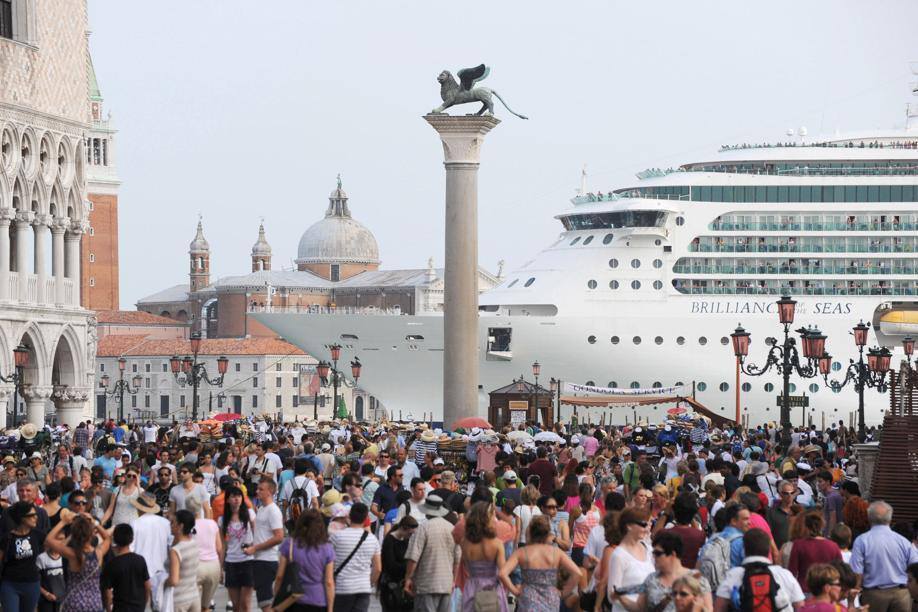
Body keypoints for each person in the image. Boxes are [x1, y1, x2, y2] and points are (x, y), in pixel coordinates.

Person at [613, 531, 713, 612]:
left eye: (658, 553)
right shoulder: (651, 579)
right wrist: (620, 597)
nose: (654, 557)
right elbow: (640, 608)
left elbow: (708, 609)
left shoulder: (697, 579)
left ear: (673, 554)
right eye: (653, 553)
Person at [499, 515, 581, 612]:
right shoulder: (556, 552)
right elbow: (577, 573)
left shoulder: (522, 552)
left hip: (528, 599)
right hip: (551, 598)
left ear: (531, 532)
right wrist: (563, 593)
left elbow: (502, 573)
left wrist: (515, 591)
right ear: (547, 533)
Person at [714, 528, 804, 612]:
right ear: (769, 549)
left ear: (744, 549)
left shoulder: (734, 575)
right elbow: (800, 606)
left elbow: (718, 607)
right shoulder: (784, 574)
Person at [850, 501, 918, 612]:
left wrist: (854, 594)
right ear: (890, 519)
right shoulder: (903, 542)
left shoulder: (862, 541)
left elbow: (857, 572)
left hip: (873, 595)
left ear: (869, 518)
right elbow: (915, 565)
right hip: (901, 594)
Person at [46, 512, 111, 612]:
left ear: (74, 535)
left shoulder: (72, 554)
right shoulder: (98, 553)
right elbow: (107, 538)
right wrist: (95, 523)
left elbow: (48, 539)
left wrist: (63, 522)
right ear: (91, 535)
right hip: (94, 603)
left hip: (73, 602)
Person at [403, 495, 457, 612]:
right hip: (446, 584)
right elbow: (458, 559)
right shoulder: (452, 528)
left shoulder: (423, 528)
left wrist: (408, 579)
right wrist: (453, 580)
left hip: (426, 584)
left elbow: (413, 558)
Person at [330, 503, 381, 612]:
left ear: (349, 516)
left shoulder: (337, 537)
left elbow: (328, 563)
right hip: (363, 588)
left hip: (342, 587)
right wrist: (369, 583)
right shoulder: (372, 540)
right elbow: (378, 568)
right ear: (366, 518)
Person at [459, 501, 508, 612]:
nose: (495, 518)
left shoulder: (464, 543)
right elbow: (503, 572)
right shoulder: (496, 543)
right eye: (493, 515)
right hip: (492, 590)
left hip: (472, 588)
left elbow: (466, 566)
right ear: (486, 518)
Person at [246, 478, 285, 612]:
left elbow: (279, 536)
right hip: (259, 559)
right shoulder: (262, 509)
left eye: (261, 489)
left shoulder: (273, 511)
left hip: (266, 560)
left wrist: (255, 548)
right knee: (264, 601)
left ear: (270, 492)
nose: (257, 491)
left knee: (266, 603)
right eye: (258, 488)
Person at [606, 508, 656, 611]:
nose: (647, 529)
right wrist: (636, 606)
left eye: (648, 524)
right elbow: (612, 595)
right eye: (643, 524)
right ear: (629, 526)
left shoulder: (649, 550)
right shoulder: (619, 555)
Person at [129, 492, 172, 609]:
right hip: (162, 571)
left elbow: (130, 549)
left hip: (141, 573)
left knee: (143, 606)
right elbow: (170, 547)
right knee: (161, 607)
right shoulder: (166, 523)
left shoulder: (135, 524)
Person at [0, 501, 46, 612]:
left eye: (36, 515)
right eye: (32, 515)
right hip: (10, 584)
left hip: (32, 584)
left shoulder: (38, 534)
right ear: (21, 518)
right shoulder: (7, 538)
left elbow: (55, 543)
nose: (36, 518)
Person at [219, 486, 256, 612]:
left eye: (239, 496)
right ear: (228, 499)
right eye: (233, 496)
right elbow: (223, 545)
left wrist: (255, 550)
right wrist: (220, 568)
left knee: (245, 604)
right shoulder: (222, 520)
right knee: (235, 605)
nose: (236, 499)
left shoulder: (250, 514)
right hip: (231, 563)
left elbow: (257, 536)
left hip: (248, 561)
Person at [100, 523, 151, 612]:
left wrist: (108, 609)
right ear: (131, 539)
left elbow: (107, 593)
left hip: (120, 608)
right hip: (138, 607)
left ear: (114, 540)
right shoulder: (140, 560)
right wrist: (144, 603)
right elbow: (148, 586)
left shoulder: (112, 564)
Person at [788, 511, 843, 592]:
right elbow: (840, 571)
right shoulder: (833, 546)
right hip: (827, 590)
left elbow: (792, 571)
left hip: (804, 590)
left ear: (806, 527)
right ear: (822, 526)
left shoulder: (798, 545)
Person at [186, 495, 222, 612]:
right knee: (205, 606)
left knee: (193, 607)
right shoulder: (212, 524)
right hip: (213, 566)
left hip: (196, 566)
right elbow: (219, 548)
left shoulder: (188, 527)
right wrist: (221, 568)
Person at [380, 515, 417, 612]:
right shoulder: (389, 540)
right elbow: (390, 565)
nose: (411, 536)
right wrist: (409, 567)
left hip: (402, 583)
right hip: (391, 585)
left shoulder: (406, 540)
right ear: (403, 528)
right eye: (410, 533)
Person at [167, 509, 201, 612]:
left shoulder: (176, 551)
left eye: (173, 522)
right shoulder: (194, 544)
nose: (170, 525)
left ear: (180, 526)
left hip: (179, 599)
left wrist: (161, 582)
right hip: (194, 596)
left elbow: (174, 580)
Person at [103, 463, 142, 528]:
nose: (131, 478)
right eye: (129, 475)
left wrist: (138, 484)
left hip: (133, 527)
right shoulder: (117, 489)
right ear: (125, 476)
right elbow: (110, 509)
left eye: (134, 476)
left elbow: (144, 505)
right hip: (116, 526)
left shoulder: (140, 490)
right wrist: (101, 523)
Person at [36, 543, 65, 612]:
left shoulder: (66, 557)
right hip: (46, 600)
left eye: (62, 539)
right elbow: (34, 580)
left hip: (63, 599)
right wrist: (46, 594)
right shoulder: (41, 558)